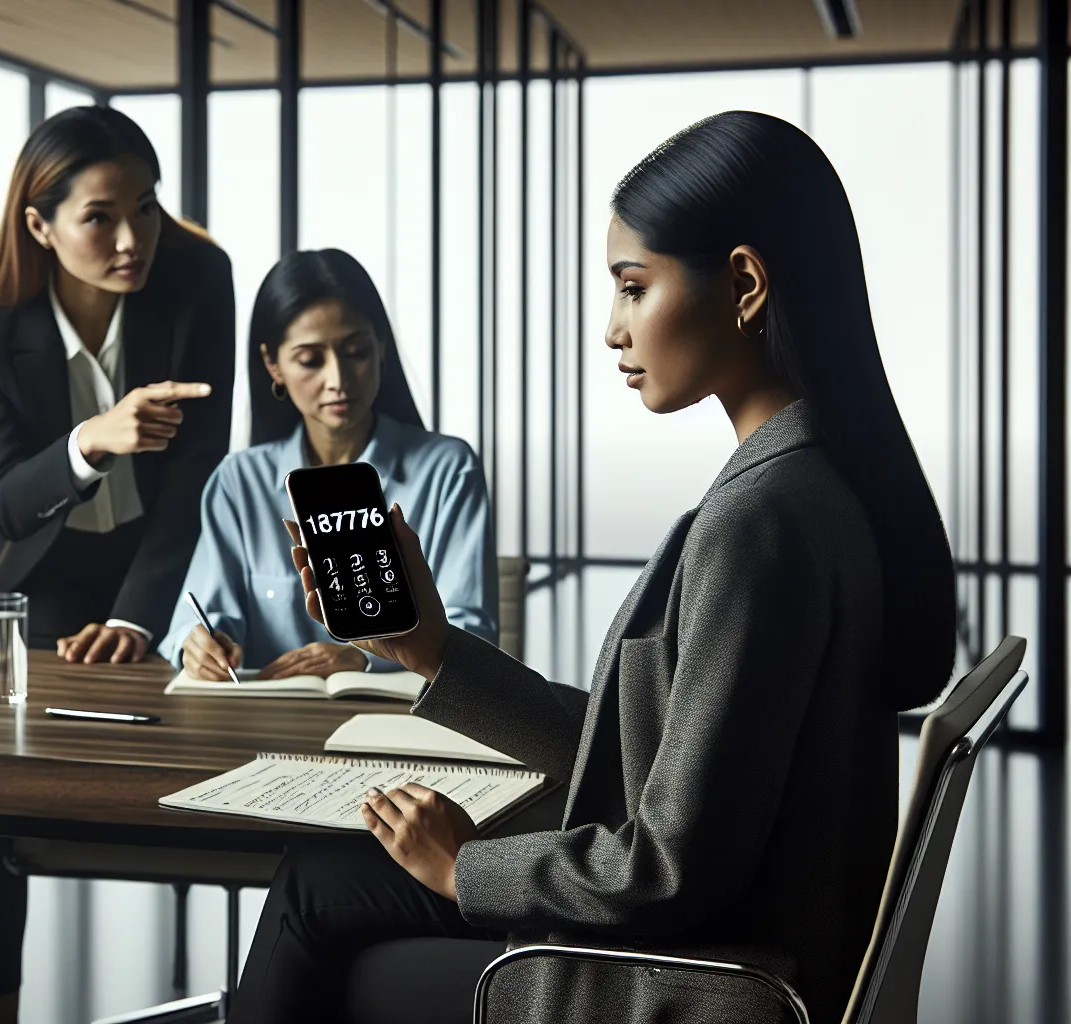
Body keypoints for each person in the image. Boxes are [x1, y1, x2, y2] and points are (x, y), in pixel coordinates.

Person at [227, 111, 956, 1024]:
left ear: (743, 285)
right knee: (324, 878)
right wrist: (432, 649)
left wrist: (463, 868)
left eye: (633, 288)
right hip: (729, 950)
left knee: (319, 912)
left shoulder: (761, 524)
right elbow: (654, 759)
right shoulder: (816, 482)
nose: (613, 329)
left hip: (692, 981)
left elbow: (668, 869)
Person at [0, 106, 234, 1024]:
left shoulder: (199, 276)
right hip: (16, 578)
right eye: (99, 217)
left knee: (193, 736)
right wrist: (91, 440)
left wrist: (141, 616)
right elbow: (2, 500)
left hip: (153, 557)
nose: (132, 238)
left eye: (145, 207)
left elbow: (197, 472)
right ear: (39, 223)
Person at [159, 248, 496, 679]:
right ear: (273, 365)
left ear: (381, 348)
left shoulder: (448, 470)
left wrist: (365, 659)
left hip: (398, 714)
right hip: (266, 713)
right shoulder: (239, 481)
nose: (338, 379)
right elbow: (197, 619)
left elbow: (473, 635)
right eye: (310, 360)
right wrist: (198, 645)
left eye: (355, 352)